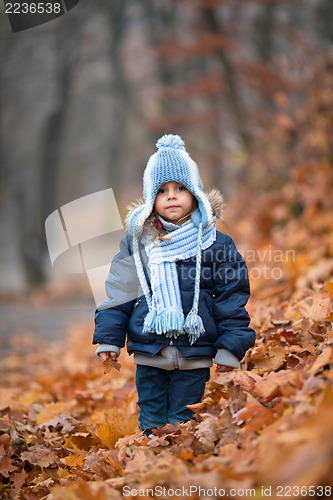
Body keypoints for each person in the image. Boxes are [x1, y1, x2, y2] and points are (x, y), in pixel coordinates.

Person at [93, 134, 256, 437]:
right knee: (152, 419)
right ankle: (150, 470)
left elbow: (232, 298)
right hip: (149, 349)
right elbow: (120, 293)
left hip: (195, 351)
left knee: (183, 421)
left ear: (195, 194)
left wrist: (231, 347)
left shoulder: (215, 243)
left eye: (180, 188)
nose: (171, 196)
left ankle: (180, 471)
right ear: (151, 198)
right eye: (162, 190)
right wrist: (109, 339)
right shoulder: (138, 242)